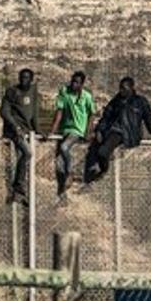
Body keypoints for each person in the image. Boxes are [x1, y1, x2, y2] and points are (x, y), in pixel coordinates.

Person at [84, 77, 151, 184]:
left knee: (103, 152)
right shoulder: (116, 101)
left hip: (127, 133)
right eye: (120, 88)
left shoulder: (140, 102)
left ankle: (102, 171)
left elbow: (150, 120)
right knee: (96, 148)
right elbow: (106, 117)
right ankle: (96, 170)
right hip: (112, 131)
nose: (121, 91)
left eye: (124, 88)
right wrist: (99, 130)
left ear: (131, 88)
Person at [50, 71, 96, 203]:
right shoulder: (65, 92)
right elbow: (59, 111)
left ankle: (70, 172)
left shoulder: (86, 96)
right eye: (72, 81)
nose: (73, 84)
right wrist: (52, 131)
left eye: (76, 82)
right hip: (64, 129)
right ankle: (62, 194)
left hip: (77, 130)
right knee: (58, 164)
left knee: (64, 147)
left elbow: (92, 114)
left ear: (82, 84)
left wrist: (88, 131)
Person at [0, 68, 40, 204]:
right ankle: (18, 189)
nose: (24, 80)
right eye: (22, 77)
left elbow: (34, 113)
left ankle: (18, 193)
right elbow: (4, 112)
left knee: (22, 160)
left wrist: (38, 130)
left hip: (26, 130)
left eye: (27, 78)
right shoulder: (12, 91)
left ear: (31, 79)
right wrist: (15, 126)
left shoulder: (34, 91)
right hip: (15, 130)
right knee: (27, 153)